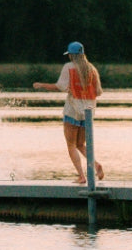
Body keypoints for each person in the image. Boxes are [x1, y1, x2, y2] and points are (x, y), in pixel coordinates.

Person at [33, 40, 105, 183]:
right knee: (80, 144)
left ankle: (81, 176)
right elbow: (98, 92)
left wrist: (41, 85)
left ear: (71, 55)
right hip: (88, 112)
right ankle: (96, 165)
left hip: (72, 110)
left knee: (71, 145)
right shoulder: (92, 69)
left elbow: (59, 86)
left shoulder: (69, 67)